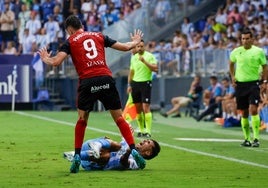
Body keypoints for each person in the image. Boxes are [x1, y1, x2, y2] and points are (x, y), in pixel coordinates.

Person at [38, 15, 145, 173]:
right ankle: (133, 149)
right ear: (81, 25)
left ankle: (76, 157)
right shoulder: (98, 35)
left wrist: (46, 58)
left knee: (82, 120)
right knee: (119, 118)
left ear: (69, 30)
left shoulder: (71, 41)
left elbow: (55, 62)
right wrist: (135, 42)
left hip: (88, 82)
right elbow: (124, 47)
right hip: (105, 78)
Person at [229, 28, 268, 147]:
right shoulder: (236, 51)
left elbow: (265, 67)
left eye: (247, 38)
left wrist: (265, 81)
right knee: (244, 113)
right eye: (243, 39)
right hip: (240, 85)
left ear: (252, 39)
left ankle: (256, 138)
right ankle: (247, 139)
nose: (245, 41)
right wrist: (233, 77)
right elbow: (231, 64)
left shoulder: (258, 51)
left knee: (254, 109)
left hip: (253, 84)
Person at [64, 136, 161, 171]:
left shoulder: (138, 162)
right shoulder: (129, 142)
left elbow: (124, 163)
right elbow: (124, 130)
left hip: (93, 163)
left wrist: (127, 153)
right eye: (146, 140)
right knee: (117, 145)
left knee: (107, 156)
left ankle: (75, 155)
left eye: (148, 142)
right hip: (92, 145)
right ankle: (96, 145)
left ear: (148, 152)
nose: (144, 141)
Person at [127, 40, 158, 138]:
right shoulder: (134, 58)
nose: (139, 48)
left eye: (141, 46)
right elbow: (131, 72)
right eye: (138, 46)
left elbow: (155, 69)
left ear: (144, 46)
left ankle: (148, 131)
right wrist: (129, 85)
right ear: (135, 47)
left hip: (146, 83)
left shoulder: (149, 56)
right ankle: (141, 130)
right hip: (135, 84)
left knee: (146, 107)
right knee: (138, 109)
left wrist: (145, 62)